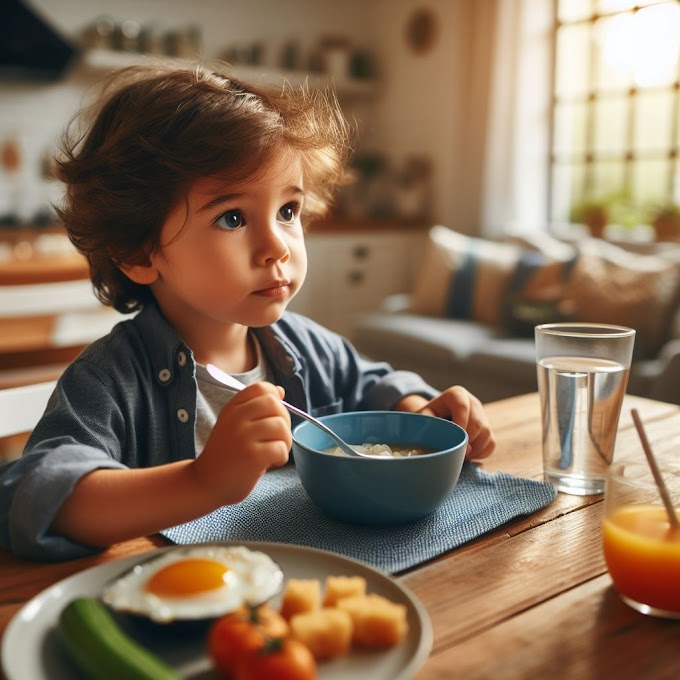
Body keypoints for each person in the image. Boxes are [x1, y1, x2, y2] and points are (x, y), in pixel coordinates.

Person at [0, 62, 495, 561]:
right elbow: (35, 497)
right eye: (232, 217)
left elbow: (373, 387)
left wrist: (420, 415)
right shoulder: (111, 380)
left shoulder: (307, 346)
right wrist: (203, 480)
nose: (276, 246)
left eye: (288, 211)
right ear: (139, 252)